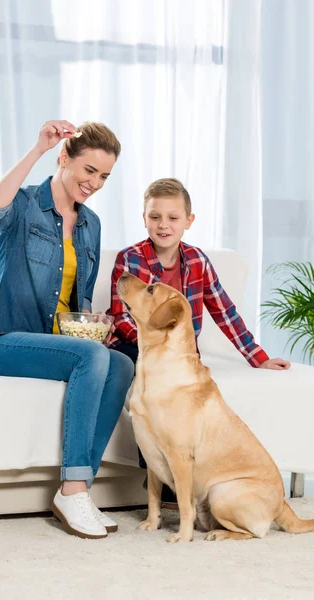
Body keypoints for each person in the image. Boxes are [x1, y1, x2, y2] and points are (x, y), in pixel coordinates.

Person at [0, 120, 134, 540]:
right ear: (64, 159)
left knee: (119, 364)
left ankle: (78, 489)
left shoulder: (90, 224)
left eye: (103, 176)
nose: (94, 183)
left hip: (61, 343)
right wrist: (37, 147)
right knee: (97, 357)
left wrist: (91, 323)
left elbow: (78, 300)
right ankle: (74, 488)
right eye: (88, 171)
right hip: (4, 340)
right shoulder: (24, 205)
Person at [107, 177, 291, 508]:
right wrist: (155, 347)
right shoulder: (130, 259)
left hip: (178, 355)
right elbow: (121, 317)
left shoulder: (197, 261)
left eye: (173, 218)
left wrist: (257, 356)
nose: (163, 225)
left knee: (187, 399)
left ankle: (199, 471)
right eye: (155, 217)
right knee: (150, 393)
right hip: (136, 346)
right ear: (144, 218)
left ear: (188, 221)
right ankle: (160, 476)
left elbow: (225, 311)